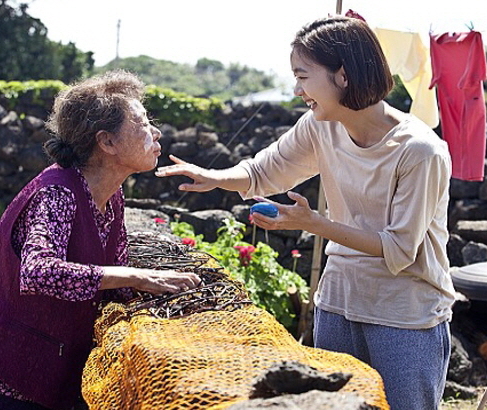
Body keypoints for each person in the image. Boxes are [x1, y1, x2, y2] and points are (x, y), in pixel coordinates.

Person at [155, 15, 455, 410]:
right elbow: (265, 171)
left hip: (404, 315)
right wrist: (213, 177)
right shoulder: (321, 126)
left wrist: (316, 224)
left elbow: (400, 249)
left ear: (343, 75)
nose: (297, 90)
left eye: (303, 76)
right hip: (338, 303)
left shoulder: (419, 151)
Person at [0, 70, 201, 410]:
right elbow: (38, 272)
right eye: (141, 123)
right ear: (106, 142)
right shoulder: (58, 193)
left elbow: (115, 271)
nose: (155, 132)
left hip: (43, 374)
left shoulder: (111, 195)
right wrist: (138, 277)